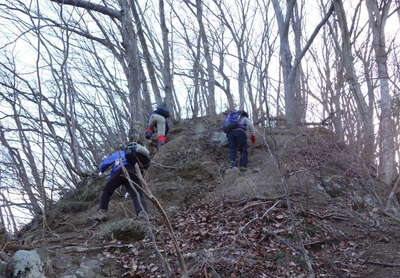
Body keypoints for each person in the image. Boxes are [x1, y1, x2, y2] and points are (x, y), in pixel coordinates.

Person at [94, 142, 151, 221]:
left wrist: (100, 169)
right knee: (136, 194)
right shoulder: (134, 156)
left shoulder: (118, 153)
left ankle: (102, 212)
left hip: (120, 171)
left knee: (107, 191)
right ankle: (142, 213)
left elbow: (104, 164)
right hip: (133, 171)